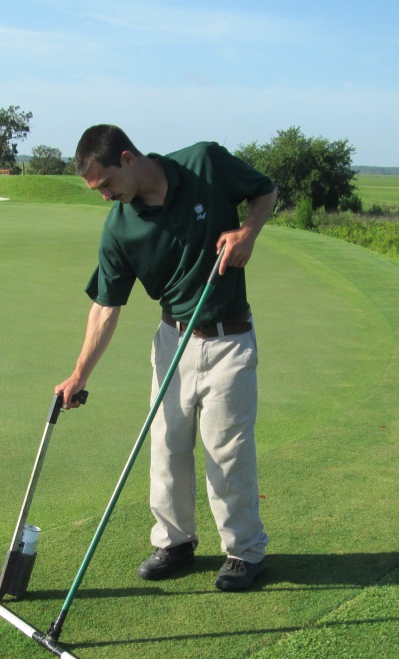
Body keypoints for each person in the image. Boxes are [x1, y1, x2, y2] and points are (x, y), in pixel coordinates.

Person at [54, 125, 278, 592]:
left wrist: (247, 234)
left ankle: (243, 552)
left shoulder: (205, 163)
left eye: (106, 185)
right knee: (167, 446)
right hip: (171, 341)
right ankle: (174, 542)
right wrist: (79, 374)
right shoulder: (120, 225)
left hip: (229, 339)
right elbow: (106, 307)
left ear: (128, 158)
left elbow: (265, 191)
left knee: (226, 452)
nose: (105, 197)